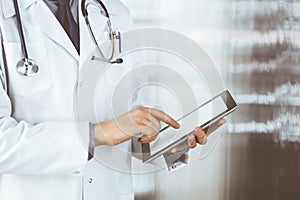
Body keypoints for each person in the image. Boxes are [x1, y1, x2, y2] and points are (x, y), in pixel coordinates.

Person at [0, 0, 225, 199]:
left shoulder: (115, 14)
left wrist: (169, 145)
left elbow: (130, 121)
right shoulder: (5, 16)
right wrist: (98, 134)